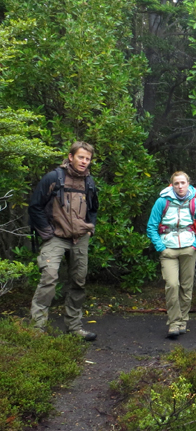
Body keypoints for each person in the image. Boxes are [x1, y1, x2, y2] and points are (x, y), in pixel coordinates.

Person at [28, 141, 99, 340]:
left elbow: (93, 209)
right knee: (48, 279)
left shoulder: (89, 182)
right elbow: (34, 206)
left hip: (80, 238)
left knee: (78, 282)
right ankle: (36, 330)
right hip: (56, 237)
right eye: (81, 157)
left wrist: (90, 229)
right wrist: (47, 232)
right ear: (70, 157)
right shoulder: (54, 177)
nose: (84, 162)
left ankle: (74, 328)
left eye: (88, 159)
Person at [146, 171, 196, 339]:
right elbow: (151, 226)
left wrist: (195, 246)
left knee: (186, 287)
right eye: (176, 183)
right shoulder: (162, 202)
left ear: (188, 184)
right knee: (172, 284)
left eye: (183, 183)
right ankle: (174, 322)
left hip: (188, 249)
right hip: (168, 250)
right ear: (171, 185)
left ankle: (183, 321)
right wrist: (161, 247)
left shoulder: (194, 203)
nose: (180, 186)